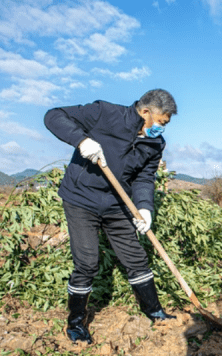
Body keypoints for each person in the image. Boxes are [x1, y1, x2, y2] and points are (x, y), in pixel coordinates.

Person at [44, 89, 178, 344]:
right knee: (87, 263)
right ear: (146, 112)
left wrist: (145, 208)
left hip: (118, 204)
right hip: (81, 199)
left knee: (136, 258)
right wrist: (82, 141)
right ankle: (76, 323)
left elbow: (144, 178)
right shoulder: (105, 114)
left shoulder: (155, 144)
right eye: (161, 122)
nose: (162, 129)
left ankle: (155, 311)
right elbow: (53, 116)